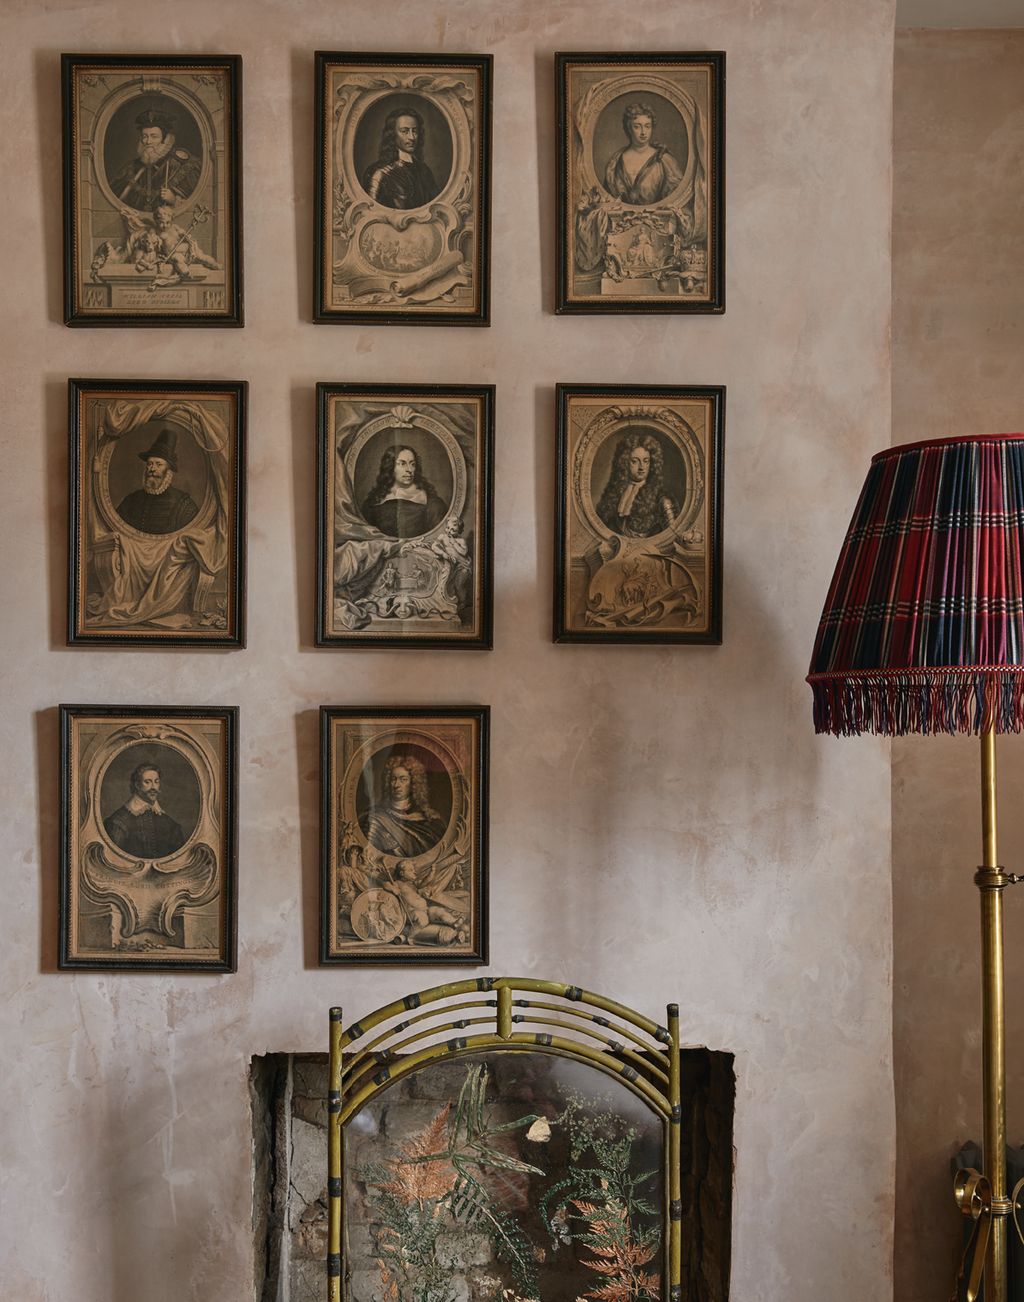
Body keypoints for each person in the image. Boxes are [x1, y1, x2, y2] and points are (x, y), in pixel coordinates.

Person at [109, 108, 201, 212]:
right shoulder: (131, 167)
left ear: (164, 139)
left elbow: (198, 205)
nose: (148, 142)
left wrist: (174, 200)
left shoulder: (181, 164)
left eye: (154, 137)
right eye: (144, 136)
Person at [361, 751, 447, 858]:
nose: (397, 785)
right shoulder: (375, 817)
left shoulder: (430, 822)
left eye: (403, 780)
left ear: (413, 783)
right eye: (393, 779)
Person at [115, 427, 200, 534]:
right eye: (150, 463)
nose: (152, 469)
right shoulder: (130, 501)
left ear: (168, 471)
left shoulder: (183, 505)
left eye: (159, 464)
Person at [596, 432, 679, 538]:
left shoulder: (662, 500)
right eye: (635, 461)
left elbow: (673, 537)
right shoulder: (615, 494)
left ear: (652, 463)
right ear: (625, 462)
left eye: (646, 461)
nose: (641, 467)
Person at [603, 102, 684, 206]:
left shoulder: (664, 160)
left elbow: (675, 199)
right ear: (629, 128)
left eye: (647, 126)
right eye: (637, 126)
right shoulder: (615, 162)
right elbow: (606, 200)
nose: (643, 132)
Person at [104, 762, 188, 859]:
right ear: (137, 785)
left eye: (156, 782)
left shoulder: (170, 824)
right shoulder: (118, 822)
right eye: (147, 782)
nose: (153, 787)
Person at [360, 445, 447, 539]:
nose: (409, 470)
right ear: (390, 467)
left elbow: (438, 537)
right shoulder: (373, 502)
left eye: (412, 464)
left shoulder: (432, 503)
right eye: (402, 464)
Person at [361, 107, 440, 210]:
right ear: (392, 134)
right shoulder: (379, 173)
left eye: (415, 131)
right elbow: (371, 213)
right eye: (404, 131)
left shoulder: (425, 171)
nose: (412, 137)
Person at [382, 861, 468, 946]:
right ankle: (411, 937)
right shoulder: (397, 883)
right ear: (402, 873)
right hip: (411, 913)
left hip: (425, 909)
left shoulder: (412, 884)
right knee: (423, 920)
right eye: (411, 870)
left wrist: (432, 873)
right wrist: (393, 889)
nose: (414, 872)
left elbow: (425, 882)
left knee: (438, 911)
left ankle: (454, 922)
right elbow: (385, 884)